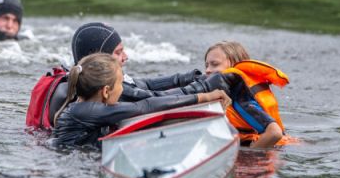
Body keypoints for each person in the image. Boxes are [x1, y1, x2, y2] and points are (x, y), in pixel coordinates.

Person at [25, 22, 230, 130]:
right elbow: (147, 101)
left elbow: (140, 85)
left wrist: (189, 77)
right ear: (98, 59)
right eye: (118, 52)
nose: (126, 57)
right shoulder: (88, 102)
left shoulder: (78, 78)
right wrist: (203, 90)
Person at [51, 53, 230, 146]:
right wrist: (204, 96)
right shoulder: (87, 110)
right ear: (106, 91)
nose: (122, 89)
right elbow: (145, 105)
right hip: (71, 161)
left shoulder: (86, 107)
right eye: (121, 83)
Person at [203, 41, 287, 148]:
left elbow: (274, 133)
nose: (207, 70)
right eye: (206, 65)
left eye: (215, 64)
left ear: (234, 65)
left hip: (261, 157)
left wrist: (248, 154)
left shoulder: (240, 98)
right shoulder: (226, 94)